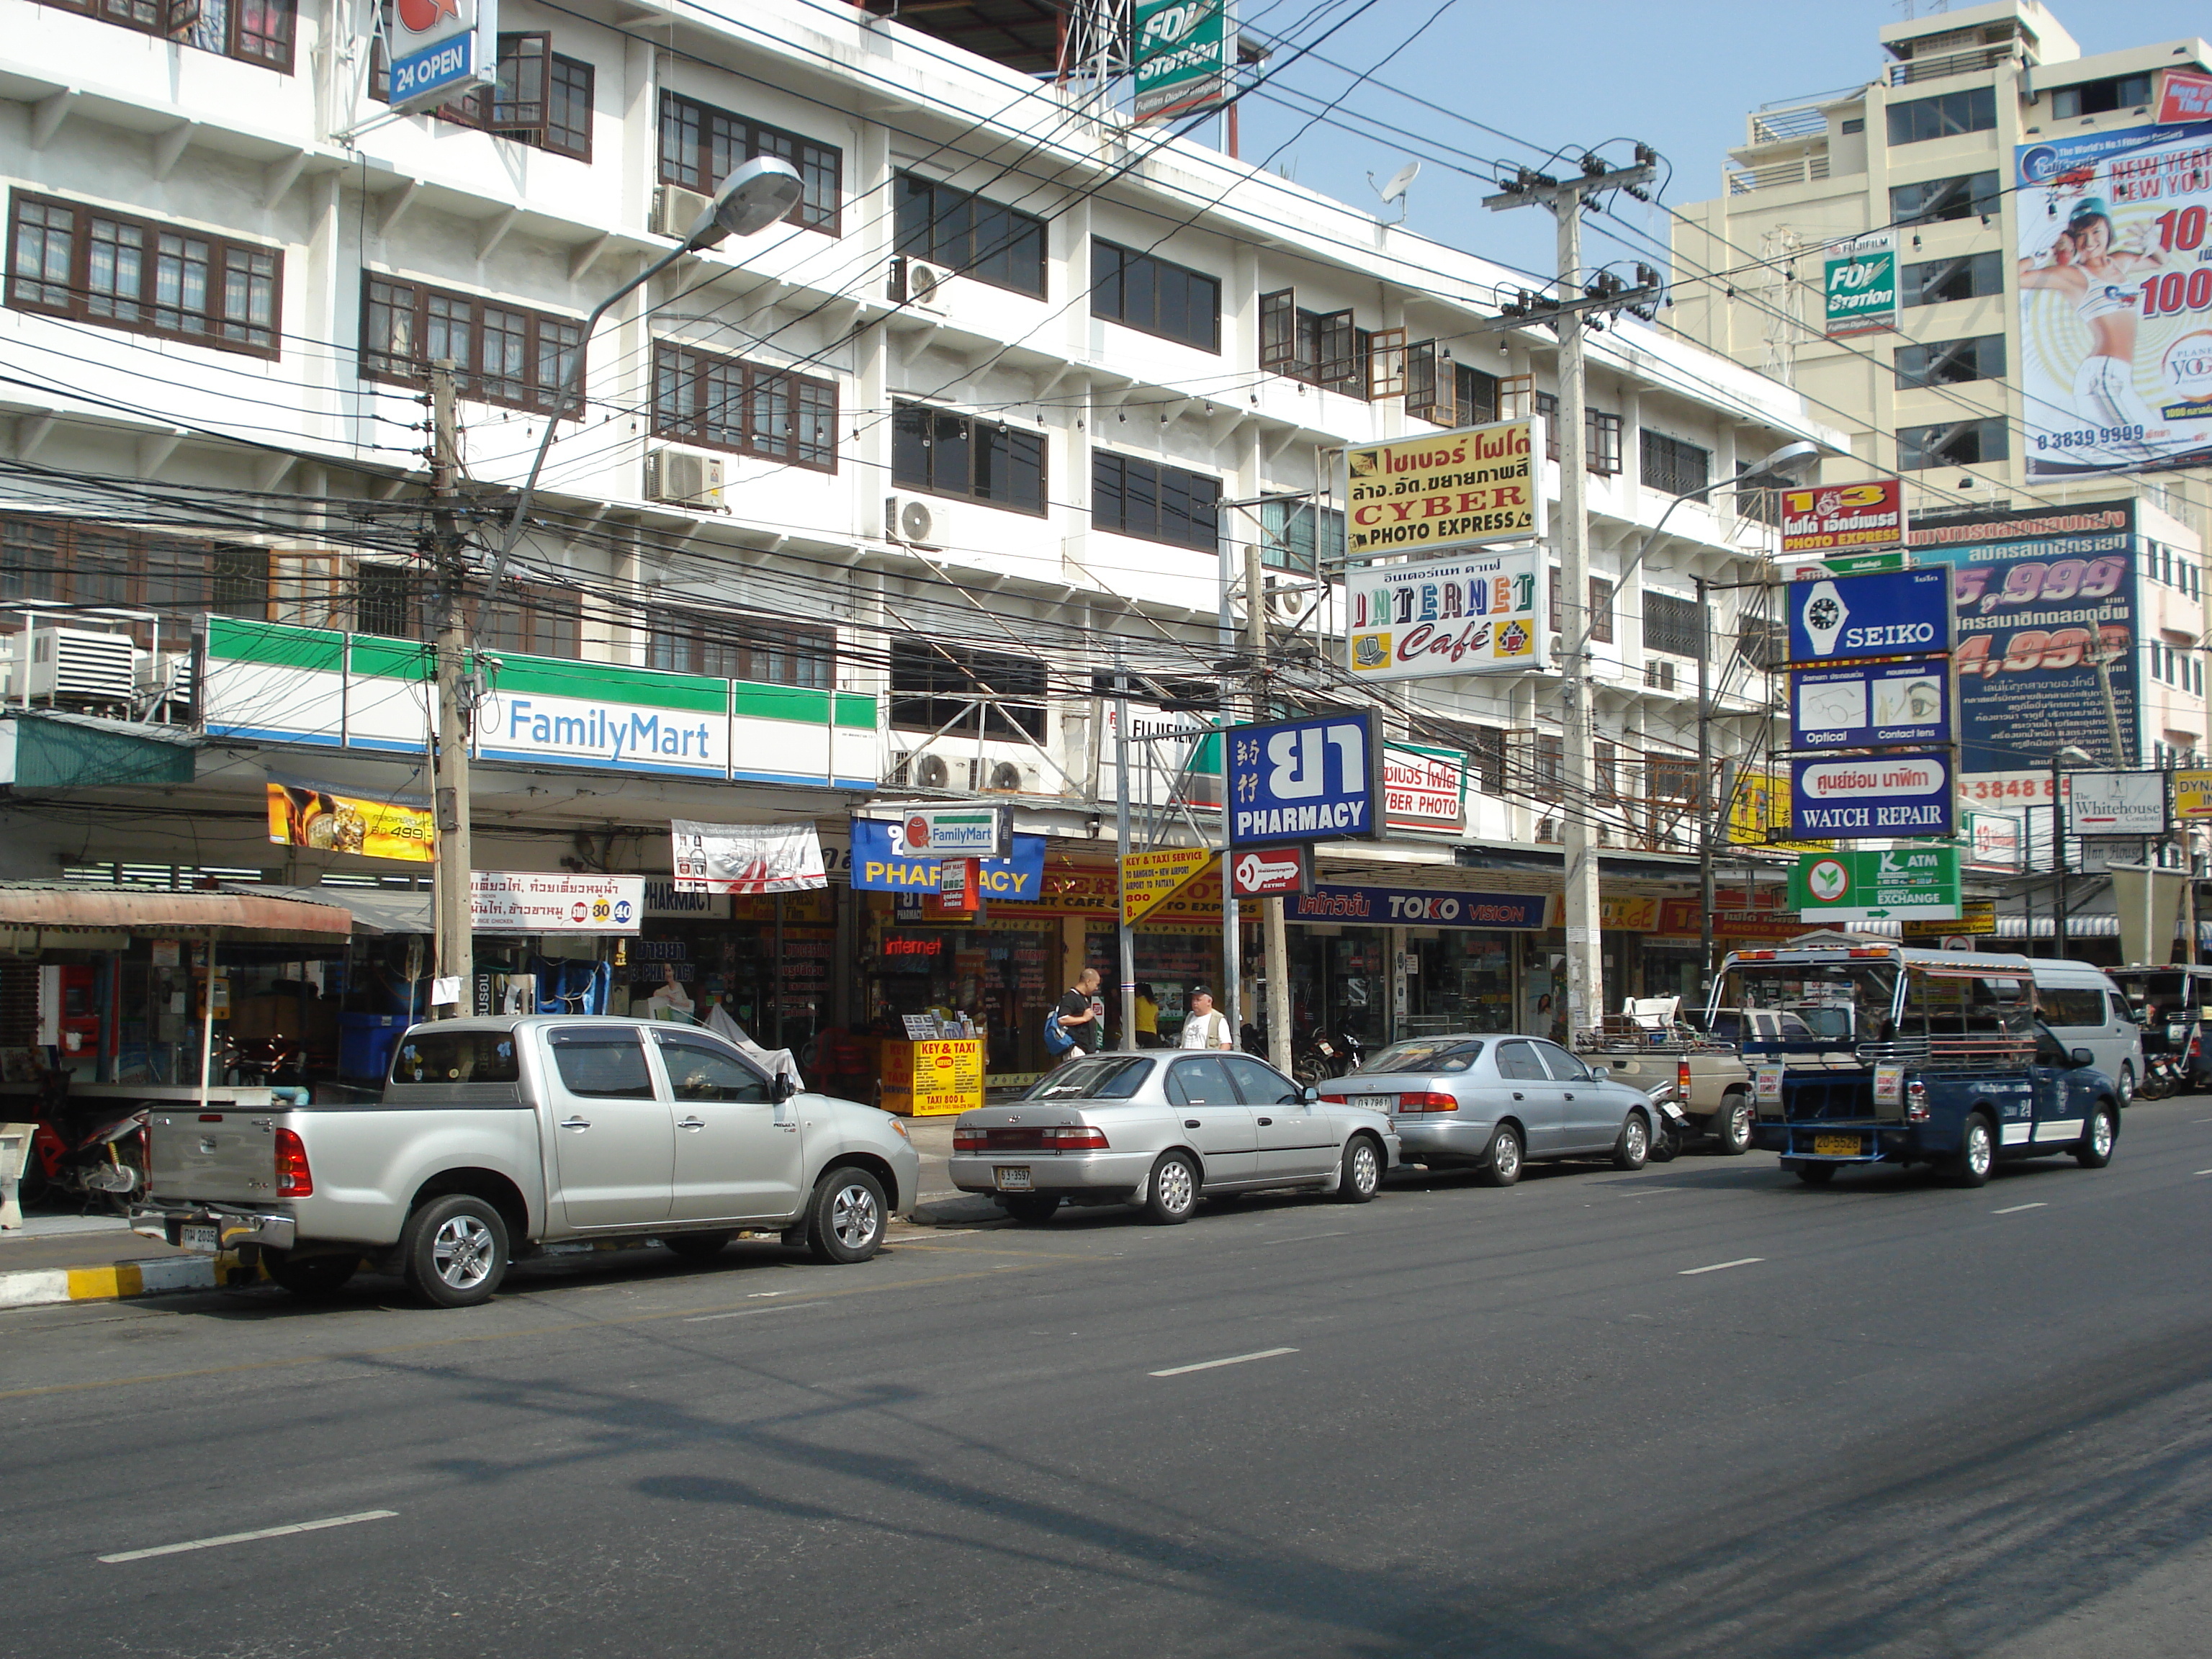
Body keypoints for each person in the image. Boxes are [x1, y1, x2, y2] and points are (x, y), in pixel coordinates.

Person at [2018, 195, 2177, 463]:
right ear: (2073, 239)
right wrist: (2042, 255)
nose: (2090, 241)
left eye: (2096, 232)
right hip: (2103, 376)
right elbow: (2014, 277)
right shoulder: (2073, 275)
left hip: (2117, 376)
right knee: (2157, 450)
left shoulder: (2120, 262)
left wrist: (2155, 246)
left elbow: (2161, 262)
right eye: (2081, 235)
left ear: (2108, 231)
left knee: (2111, 459)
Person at [1056, 967, 1104, 1060]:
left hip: (1086, 1050)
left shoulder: (1083, 998)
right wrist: (1084, 1018)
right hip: (1077, 1049)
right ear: (1088, 981)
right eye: (1096, 984)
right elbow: (1062, 1019)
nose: (1097, 988)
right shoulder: (1070, 998)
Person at [1180, 987, 1233, 1051]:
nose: (1195, 1003)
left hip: (1205, 1059)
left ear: (1209, 1001)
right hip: (1187, 1059)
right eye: (1193, 999)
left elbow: (1226, 1045)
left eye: (1198, 1000)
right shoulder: (1190, 1016)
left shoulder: (1218, 1019)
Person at [1133, 981, 1161, 1048]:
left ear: (1139, 991)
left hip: (1139, 1031)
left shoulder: (1137, 1001)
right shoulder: (1154, 1004)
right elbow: (1156, 1022)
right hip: (1152, 1033)